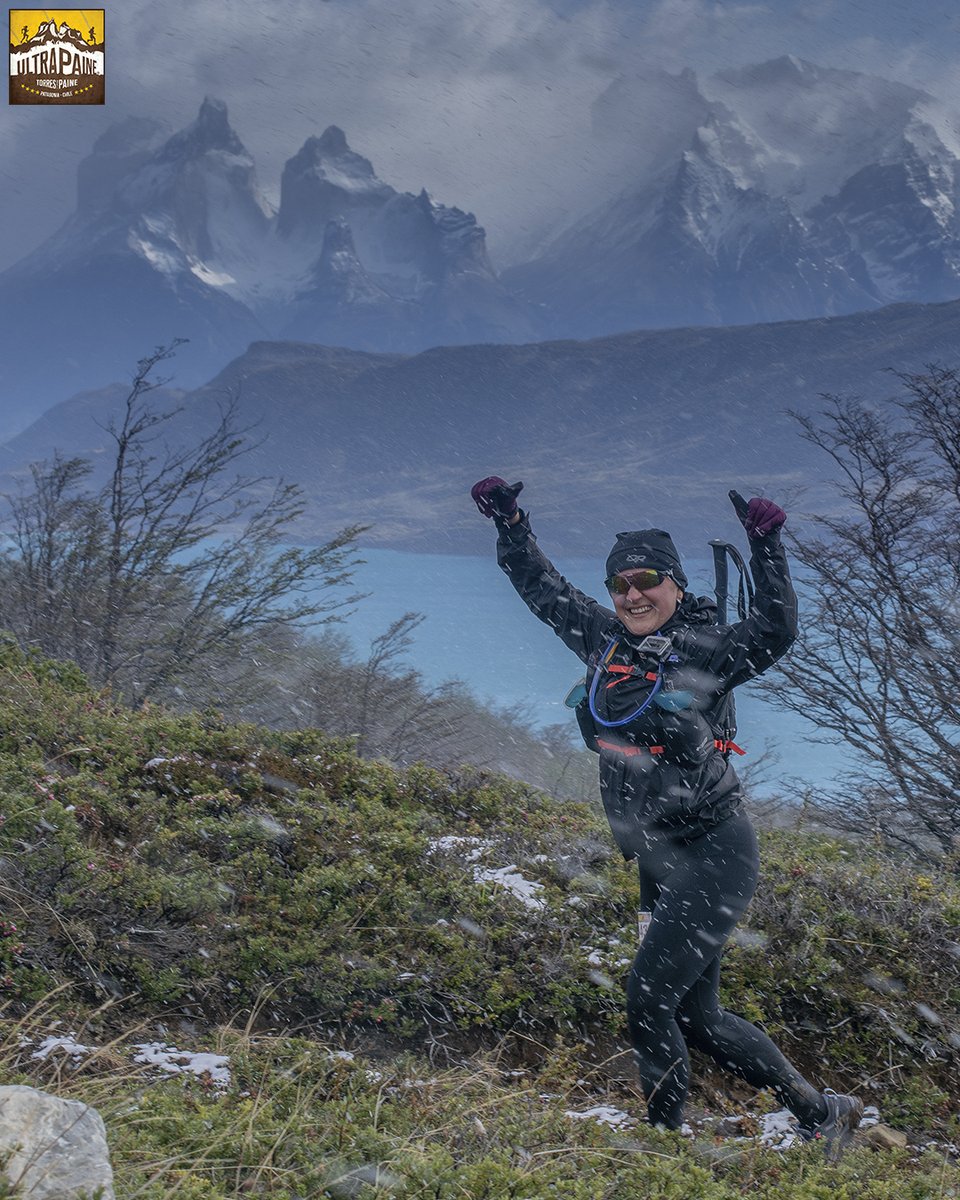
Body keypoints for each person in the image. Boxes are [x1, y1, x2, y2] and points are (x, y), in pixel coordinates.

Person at [470, 476, 863, 1148]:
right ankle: (821, 1112)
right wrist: (509, 523)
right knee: (696, 1016)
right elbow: (542, 588)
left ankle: (663, 1149)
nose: (632, 594)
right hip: (658, 860)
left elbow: (776, 628)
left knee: (649, 1000)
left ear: (676, 585)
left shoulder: (707, 649)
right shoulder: (603, 642)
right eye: (620, 583)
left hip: (713, 849)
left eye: (647, 579)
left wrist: (766, 547)